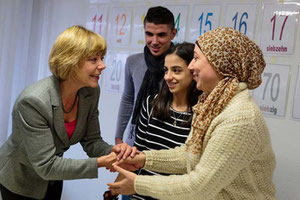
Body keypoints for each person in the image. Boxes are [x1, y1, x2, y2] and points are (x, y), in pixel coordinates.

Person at [107, 27, 276, 200]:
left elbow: (198, 187)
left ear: (220, 63)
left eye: (196, 58)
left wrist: (137, 184)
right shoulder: (214, 103)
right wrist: (143, 159)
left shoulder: (238, 118)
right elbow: (189, 155)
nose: (191, 66)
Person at [0, 25, 136, 200]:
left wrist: (116, 153)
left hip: (53, 179)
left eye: (101, 58)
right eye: (93, 59)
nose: (102, 65)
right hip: (21, 181)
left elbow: (92, 141)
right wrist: (101, 162)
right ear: (70, 60)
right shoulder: (33, 101)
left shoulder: (90, 92)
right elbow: (46, 166)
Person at [115, 6, 177, 146]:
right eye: (149, 34)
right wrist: (118, 136)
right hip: (134, 140)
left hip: (166, 143)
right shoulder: (133, 62)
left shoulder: (182, 66)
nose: (154, 41)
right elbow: (128, 99)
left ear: (173, 34)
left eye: (161, 35)